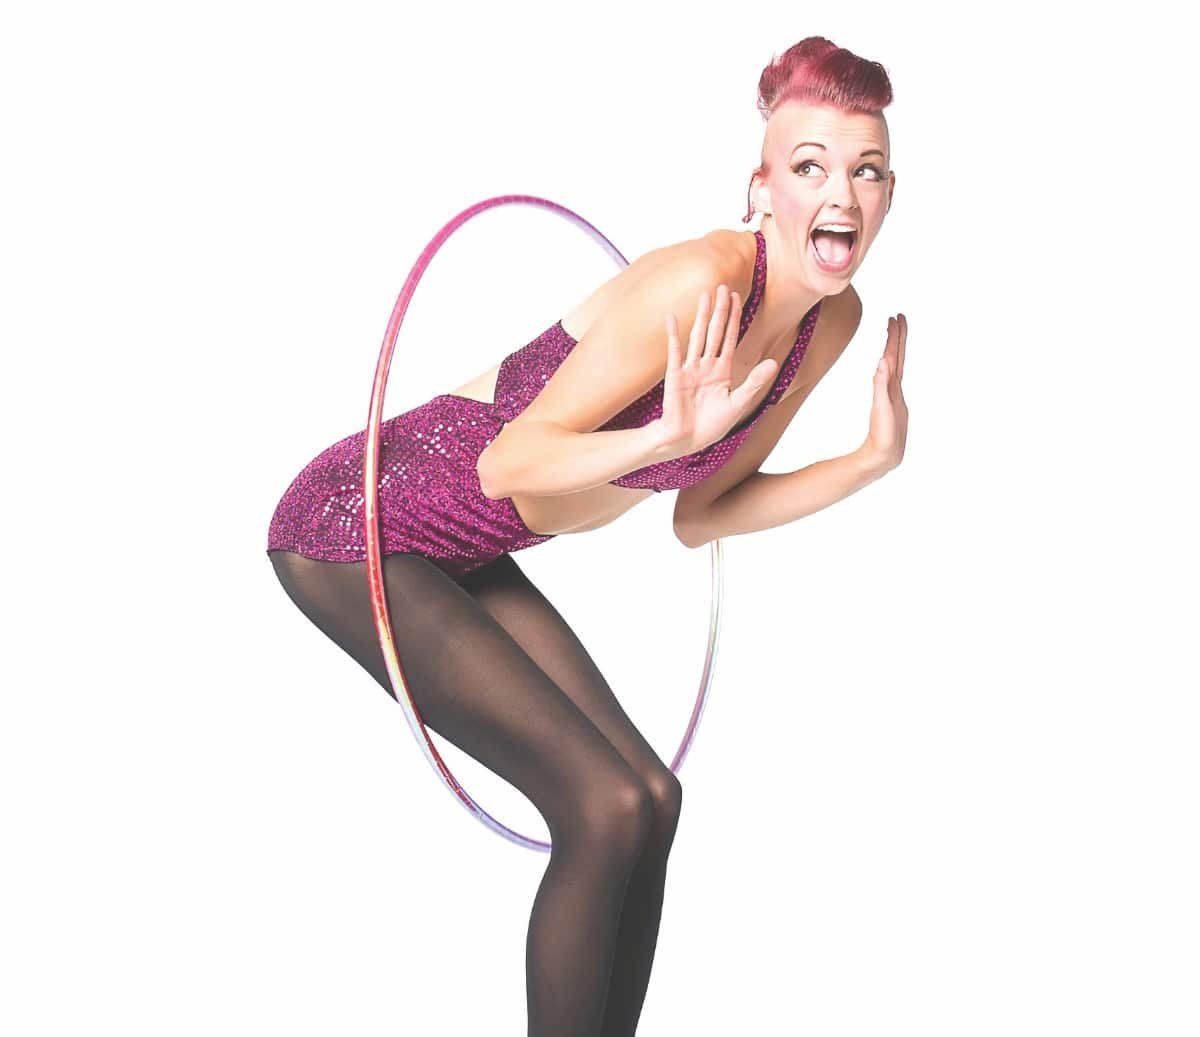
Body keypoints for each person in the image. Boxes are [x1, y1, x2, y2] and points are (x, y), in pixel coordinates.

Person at [265, 34, 908, 1037]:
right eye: (810, 166)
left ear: (889, 194)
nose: (842, 194)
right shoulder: (698, 284)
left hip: (463, 547)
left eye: (866, 170)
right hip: (358, 523)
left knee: (650, 797)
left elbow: (703, 514)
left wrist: (865, 462)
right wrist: (663, 435)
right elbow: (506, 464)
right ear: (762, 185)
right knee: (600, 806)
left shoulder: (829, 321)